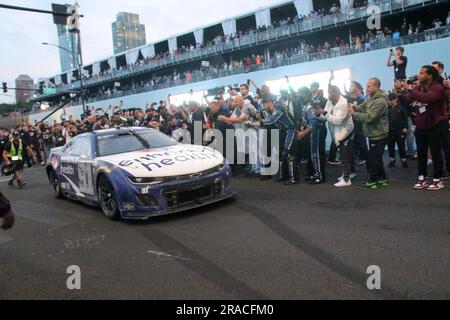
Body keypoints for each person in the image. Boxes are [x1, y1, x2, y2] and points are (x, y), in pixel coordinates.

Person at [397, 65, 447, 191]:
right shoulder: (419, 87)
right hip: (421, 125)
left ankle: (437, 179)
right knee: (421, 152)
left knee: (436, 152)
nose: (419, 75)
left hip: (436, 124)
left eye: (422, 73)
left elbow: (427, 98)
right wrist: (401, 91)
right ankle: (422, 177)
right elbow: (406, 101)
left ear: (430, 75)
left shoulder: (438, 87)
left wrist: (410, 89)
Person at [349, 78, 389, 189]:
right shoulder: (370, 98)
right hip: (373, 133)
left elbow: (369, 117)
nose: (366, 88)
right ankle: (382, 179)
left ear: (376, 87)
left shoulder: (380, 101)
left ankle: (372, 180)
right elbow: (362, 107)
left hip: (378, 134)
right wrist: (354, 107)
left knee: (374, 159)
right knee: (377, 158)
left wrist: (352, 113)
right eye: (367, 86)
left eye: (369, 86)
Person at [315, 86, 355, 187]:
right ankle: (349, 174)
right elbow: (325, 118)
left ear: (336, 93)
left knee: (345, 156)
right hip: (337, 133)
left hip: (346, 133)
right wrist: (318, 115)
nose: (328, 96)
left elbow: (337, 120)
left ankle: (346, 180)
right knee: (345, 155)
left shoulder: (343, 103)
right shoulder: (330, 101)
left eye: (330, 93)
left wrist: (323, 112)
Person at [255, 95, 298, 185]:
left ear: (270, 103)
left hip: (291, 130)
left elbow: (270, 121)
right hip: (282, 131)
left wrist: (258, 123)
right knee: (281, 153)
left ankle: (294, 178)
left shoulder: (279, 109)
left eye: (264, 105)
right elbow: (269, 120)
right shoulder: (272, 111)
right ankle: (284, 176)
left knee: (288, 153)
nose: (263, 108)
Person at [387, 92, 409, 168]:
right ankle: (392, 159)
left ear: (396, 99)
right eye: (389, 100)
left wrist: (405, 128)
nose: (390, 101)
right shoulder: (387, 108)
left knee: (401, 146)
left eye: (392, 100)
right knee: (390, 146)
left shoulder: (401, 107)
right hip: (389, 130)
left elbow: (405, 118)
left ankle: (404, 160)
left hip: (399, 130)